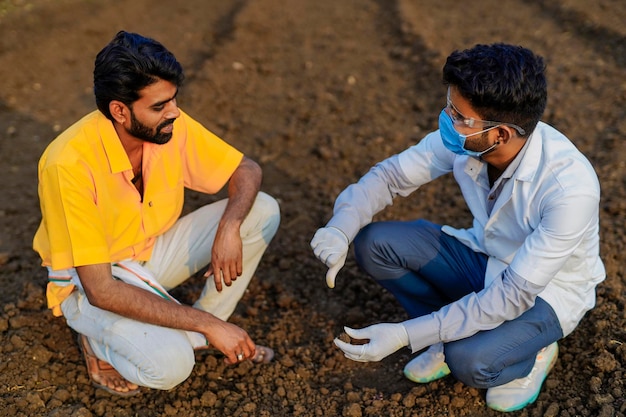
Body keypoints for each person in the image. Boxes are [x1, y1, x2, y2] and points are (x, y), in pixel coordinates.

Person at [311, 43, 605, 412]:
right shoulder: (470, 140)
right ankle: (443, 331)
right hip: (487, 255)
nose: (447, 120)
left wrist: (405, 335)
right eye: (449, 106)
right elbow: (388, 178)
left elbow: (514, 295)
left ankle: (532, 355)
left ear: (500, 134)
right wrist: (341, 226)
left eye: (459, 115)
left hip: (544, 291)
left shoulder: (569, 190)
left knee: (468, 360)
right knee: (374, 243)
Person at [33, 31, 280, 396]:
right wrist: (205, 323)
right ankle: (97, 343)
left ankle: (201, 337)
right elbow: (102, 291)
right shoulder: (67, 164)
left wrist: (229, 227)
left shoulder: (168, 126)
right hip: (89, 283)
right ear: (119, 111)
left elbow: (246, 170)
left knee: (261, 210)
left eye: (173, 100)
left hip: (148, 251)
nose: (174, 112)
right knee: (170, 367)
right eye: (159, 106)